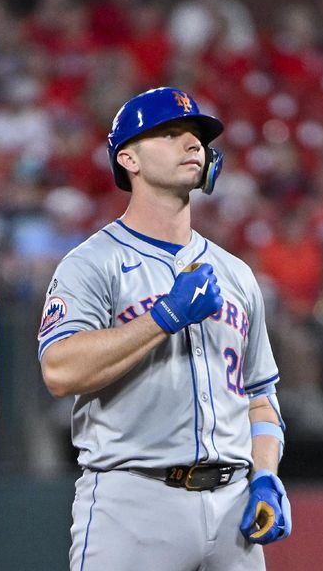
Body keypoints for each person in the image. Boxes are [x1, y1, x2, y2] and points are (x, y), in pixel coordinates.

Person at [37, 86, 291, 570]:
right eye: (171, 134)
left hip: (233, 505)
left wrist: (264, 475)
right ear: (128, 158)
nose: (191, 144)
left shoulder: (235, 273)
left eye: (195, 136)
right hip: (135, 500)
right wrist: (162, 318)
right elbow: (59, 370)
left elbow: (260, 396)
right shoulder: (93, 263)